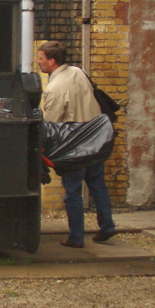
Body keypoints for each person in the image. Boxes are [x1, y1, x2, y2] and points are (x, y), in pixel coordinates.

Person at [36, 40, 116, 248]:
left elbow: (50, 125)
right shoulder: (78, 72)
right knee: (98, 185)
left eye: (41, 58)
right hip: (96, 140)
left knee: (72, 192)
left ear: (52, 61)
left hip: (74, 148)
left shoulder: (54, 88)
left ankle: (76, 237)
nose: (38, 62)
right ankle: (107, 227)